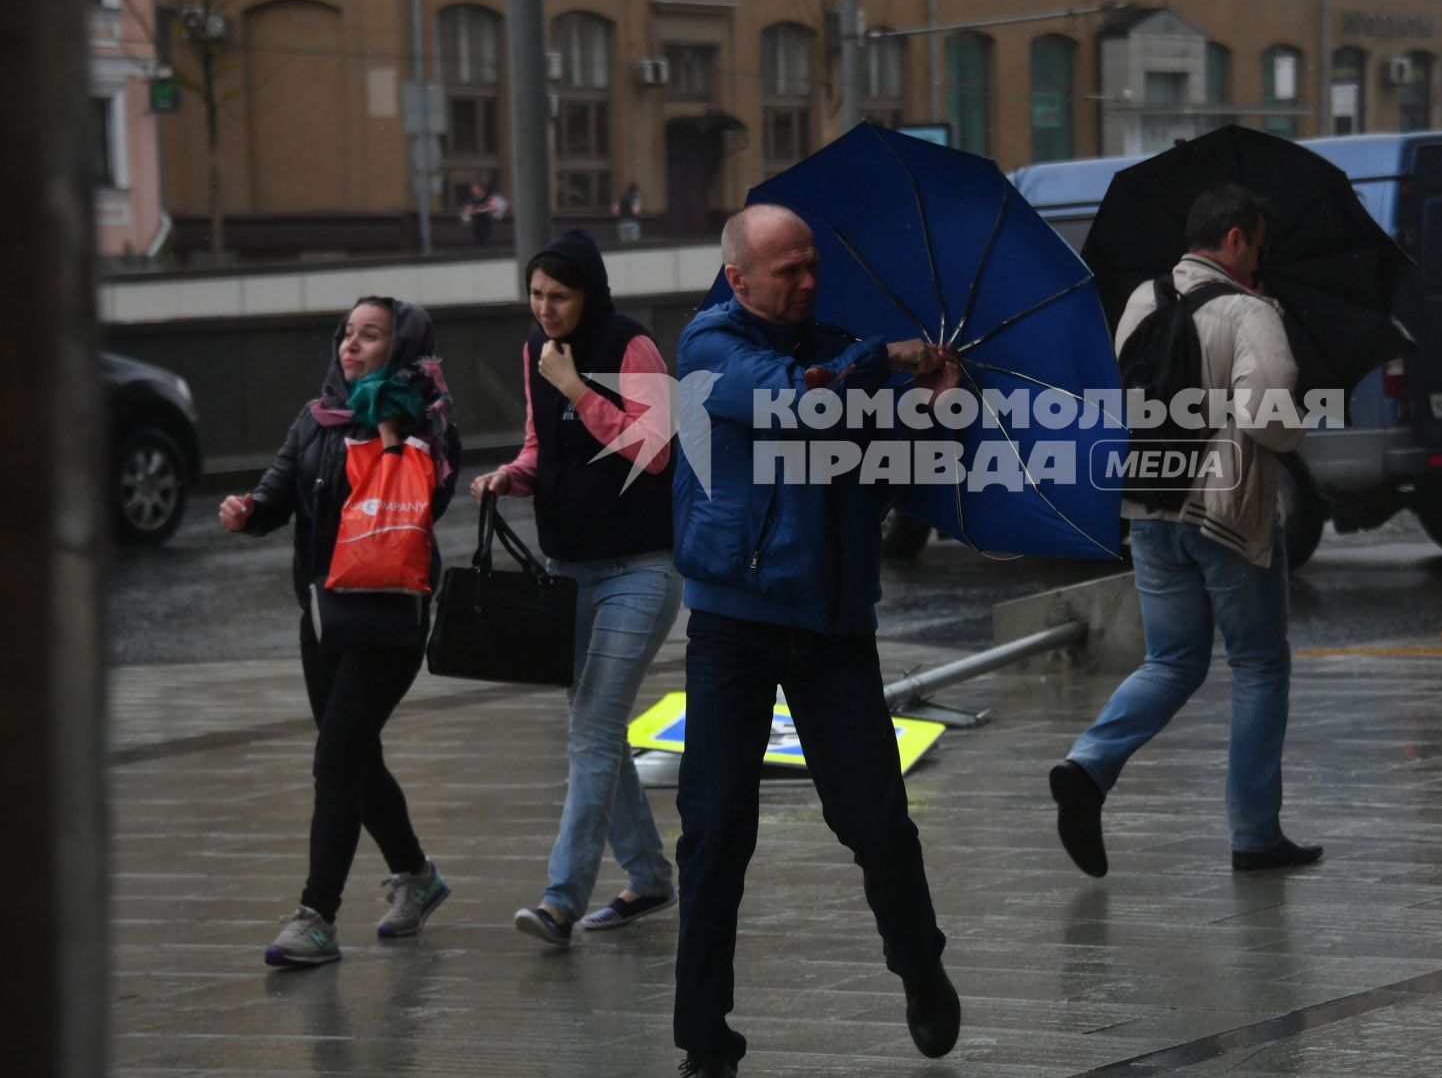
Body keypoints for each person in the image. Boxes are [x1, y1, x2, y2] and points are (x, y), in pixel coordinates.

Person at [669, 203, 961, 1077]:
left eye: (809, 267)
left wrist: (929, 408)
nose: (803, 283)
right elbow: (792, 408)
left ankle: (920, 967)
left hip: (833, 626)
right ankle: (704, 1041)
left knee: (876, 823)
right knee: (715, 834)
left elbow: (888, 462)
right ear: (738, 278)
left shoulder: (839, 346)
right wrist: (885, 358)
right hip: (732, 624)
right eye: (784, 270)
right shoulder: (708, 349)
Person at [1050, 184, 1323, 878]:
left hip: (1148, 508)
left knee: (1172, 660)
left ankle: (1088, 766)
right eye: (1259, 244)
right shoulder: (1247, 310)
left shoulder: (1143, 299)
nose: (1262, 259)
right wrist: (1296, 429)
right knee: (1259, 663)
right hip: (1225, 514)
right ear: (1234, 240)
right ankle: (1255, 834)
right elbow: (1269, 419)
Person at [218, 297, 461, 967]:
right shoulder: (316, 415)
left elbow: (432, 493)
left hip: (390, 616)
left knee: (335, 759)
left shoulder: (424, 418)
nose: (350, 347)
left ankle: (316, 917)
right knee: (355, 756)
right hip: (323, 617)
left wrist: (388, 418)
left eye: (370, 336)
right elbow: (278, 490)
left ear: (403, 347)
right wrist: (249, 512)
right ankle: (418, 876)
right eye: (346, 335)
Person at [470, 229, 683, 946]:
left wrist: (576, 389)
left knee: (591, 730)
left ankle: (560, 898)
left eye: (558, 296)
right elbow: (541, 446)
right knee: (599, 731)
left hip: (640, 568)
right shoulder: (536, 351)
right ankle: (650, 876)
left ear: (589, 292)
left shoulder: (630, 346)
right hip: (569, 572)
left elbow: (655, 453)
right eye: (535, 296)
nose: (545, 309)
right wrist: (512, 475)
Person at [461, 181, 508, 246]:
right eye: (473, 190)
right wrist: (470, 209)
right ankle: (479, 242)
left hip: (487, 219)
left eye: (475, 189)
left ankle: (484, 242)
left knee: (485, 230)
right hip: (477, 219)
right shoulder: (474, 198)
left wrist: (479, 210)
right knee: (477, 229)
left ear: (480, 189)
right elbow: (470, 206)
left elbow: (492, 207)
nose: (473, 191)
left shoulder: (489, 197)